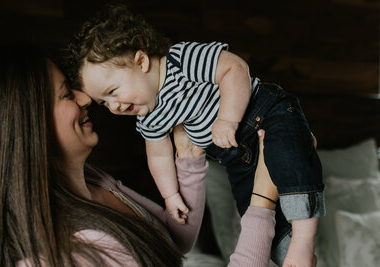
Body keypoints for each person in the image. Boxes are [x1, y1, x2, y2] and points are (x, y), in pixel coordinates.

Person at [63, 3, 323, 266]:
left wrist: (227, 119)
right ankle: (289, 252)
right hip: (237, 159)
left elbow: (234, 68)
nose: (114, 105)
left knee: (289, 161)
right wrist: (170, 196)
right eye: (104, 103)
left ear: (141, 62)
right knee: (250, 212)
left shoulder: (180, 60)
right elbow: (159, 156)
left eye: (113, 91)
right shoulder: (149, 117)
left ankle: (303, 240)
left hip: (264, 115)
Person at [0, 44, 285, 267]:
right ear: (30, 124)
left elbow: (171, 241)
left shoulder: (95, 181)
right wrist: (262, 202)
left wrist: (189, 158)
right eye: (65, 94)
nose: (86, 99)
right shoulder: (76, 253)